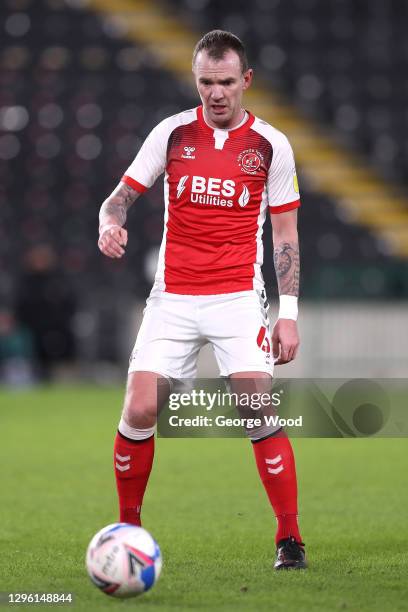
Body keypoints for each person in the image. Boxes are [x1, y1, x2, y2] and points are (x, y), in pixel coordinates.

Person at [98, 30, 306, 570]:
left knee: (256, 407)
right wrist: (108, 221)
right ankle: (129, 535)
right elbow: (120, 198)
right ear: (197, 80)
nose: (216, 93)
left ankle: (290, 539)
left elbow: (284, 237)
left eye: (227, 82)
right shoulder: (171, 134)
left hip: (237, 297)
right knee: (140, 407)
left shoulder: (271, 146)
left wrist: (289, 315)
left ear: (247, 81)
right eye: (207, 82)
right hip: (172, 298)